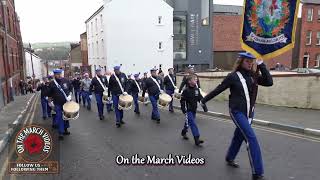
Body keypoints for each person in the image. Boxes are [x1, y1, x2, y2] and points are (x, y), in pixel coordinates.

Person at [201, 52, 273, 180]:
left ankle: (230, 157)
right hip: (237, 112)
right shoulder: (233, 76)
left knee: (239, 136)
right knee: (251, 138)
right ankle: (258, 173)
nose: (250, 64)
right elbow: (219, 89)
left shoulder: (253, 76)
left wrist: (261, 64)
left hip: (249, 113)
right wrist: (204, 100)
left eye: (252, 61)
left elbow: (269, 82)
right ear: (240, 62)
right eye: (247, 61)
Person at [180, 75, 206, 146]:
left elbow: (200, 98)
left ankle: (184, 132)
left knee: (188, 122)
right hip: (188, 110)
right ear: (189, 81)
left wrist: (204, 107)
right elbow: (182, 101)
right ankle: (196, 138)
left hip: (194, 109)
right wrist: (183, 109)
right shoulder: (186, 91)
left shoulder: (196, 90)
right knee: (193, 123)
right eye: (194, 79)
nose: (196, 80)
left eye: (196, 79)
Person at [47, 69, 73, 140]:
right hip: (57, 103)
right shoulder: (52, 83)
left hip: (66, 102)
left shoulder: (66, 80)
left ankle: (65, 129)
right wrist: (50, 102)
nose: (59, 75)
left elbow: (71, 88)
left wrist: (70, 95)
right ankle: (60, 133)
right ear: (54, 75)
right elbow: (49, 94)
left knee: (66, 116)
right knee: (60, 117)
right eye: (57, 74)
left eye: (60, 74)